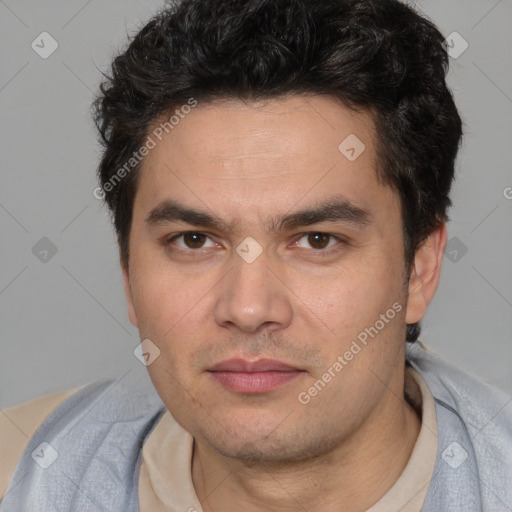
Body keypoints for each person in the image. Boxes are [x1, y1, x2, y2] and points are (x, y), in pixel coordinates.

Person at [1, 0, 511, 510]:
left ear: (420, 268)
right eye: (194, 240)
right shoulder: (21, 472)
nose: (248, 309)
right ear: (128, 273)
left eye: (317, 240)